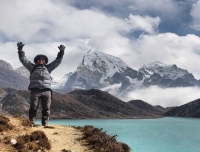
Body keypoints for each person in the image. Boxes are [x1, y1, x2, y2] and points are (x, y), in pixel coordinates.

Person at [17, 42, 65, 127]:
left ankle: (45, 123)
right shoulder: (32, 67)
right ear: (36, 61)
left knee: (46, 108)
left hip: (46, 90)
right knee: (33, 107)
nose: (41, 60)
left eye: (43, 59)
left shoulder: (48, 68)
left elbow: (57, 61)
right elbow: (23, 60)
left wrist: (61, 52)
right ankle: (31, 123)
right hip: (35, 90)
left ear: (45, 61)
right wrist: (20, 50)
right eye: (39, 59)